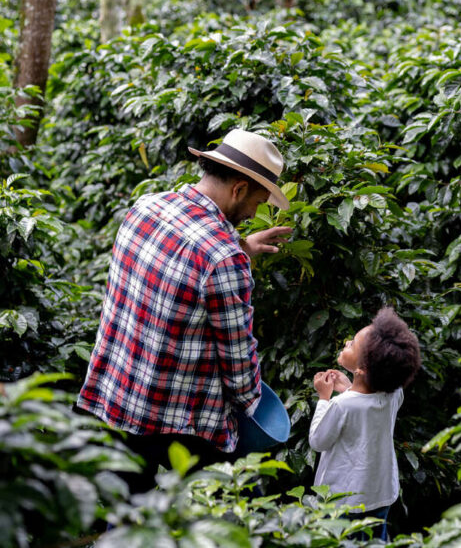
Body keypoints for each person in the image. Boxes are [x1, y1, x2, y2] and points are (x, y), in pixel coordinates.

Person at [78, 129, 292, 494]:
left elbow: (181, 261)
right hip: (180, 414)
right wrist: (256, 409)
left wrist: (242, 246)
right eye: (257, 201)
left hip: (119, 395)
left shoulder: (146, 206)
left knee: (129, 518)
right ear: (239, 188)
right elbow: (239, 365)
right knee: (231, 504)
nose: (255, 212)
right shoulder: (224, 258)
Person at [309, 307, 422, 541]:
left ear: (362, 369)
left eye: (352, 345)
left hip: (343, 502)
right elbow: (367, 405)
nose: (348, 341)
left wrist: (324, 398)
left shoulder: (342, 406)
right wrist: (349, 387)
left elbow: (318, 440)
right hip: (380, 494)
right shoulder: (394, 394)